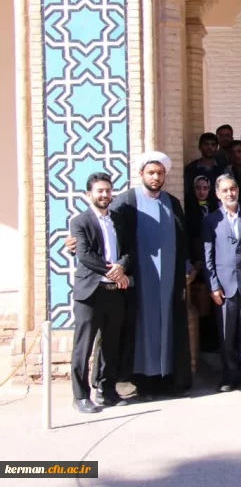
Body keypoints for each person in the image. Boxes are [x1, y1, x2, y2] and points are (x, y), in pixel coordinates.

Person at [110, 151, 192, 399]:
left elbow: (182, 238)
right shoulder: (126, 202)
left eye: (159, 173)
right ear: (141, 174)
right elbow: (105, 232)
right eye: (151, 173)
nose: (156, 177)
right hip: (139, 280)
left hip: (168, 281)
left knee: (168, 325)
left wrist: (187, 266)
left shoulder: (172, 202)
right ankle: (141, 379)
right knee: (141, 327)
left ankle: (167, 378)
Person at [70, 173, 131, 413]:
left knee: (110, 345)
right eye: (99, 191)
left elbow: (128, 250)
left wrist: (122, 266)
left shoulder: (117, 219)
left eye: (108, 190)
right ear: (89, 195)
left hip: (114, 292)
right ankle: (80, 395)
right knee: (83, 346)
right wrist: (115, 272)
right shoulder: (80, 222)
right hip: (90, 293)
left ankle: (107, 391)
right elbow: (85, 255)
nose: (105, 195)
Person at [202, 175, 241, 393]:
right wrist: (213, 285)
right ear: (218, 194)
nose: (230, 193)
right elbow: (207, 256)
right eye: (225, 190)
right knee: (226, 333)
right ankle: (229, 374)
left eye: (233, 189)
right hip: (223, 286)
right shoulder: (212, 220)